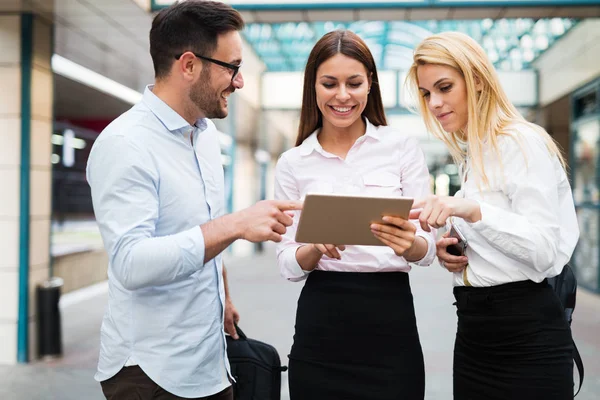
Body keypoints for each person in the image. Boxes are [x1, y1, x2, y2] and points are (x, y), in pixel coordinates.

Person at [86, 1, 301, 399]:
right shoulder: (125, 144)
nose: (238, 83)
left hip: (209, 362)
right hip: (151, 375)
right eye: (232, 67)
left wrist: (224, 295)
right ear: (189, 65)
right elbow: (131, 262)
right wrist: (236, 225)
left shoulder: (202, 136)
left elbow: (198, 226)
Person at [405, 31, 580, 399]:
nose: (434, 103)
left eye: (444, 87)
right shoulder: (474, 153)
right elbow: (498, 243)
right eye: (426, 93)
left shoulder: (520, 142)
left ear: (477, 81)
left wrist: (472, 210)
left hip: (526, 336)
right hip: (474, 333)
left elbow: (545, 252)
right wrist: (452, 250)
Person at [274, 30, 436, 400]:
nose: (342, 95)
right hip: (322, 321)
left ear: (370, 86)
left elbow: (428, 249)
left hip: (390, 320)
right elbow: (287, 262)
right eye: (329, 83)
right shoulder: (293, 162)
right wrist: (313, 248)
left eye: (354, 83)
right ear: (312, 87)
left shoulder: (401, 148)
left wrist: (410, 244)